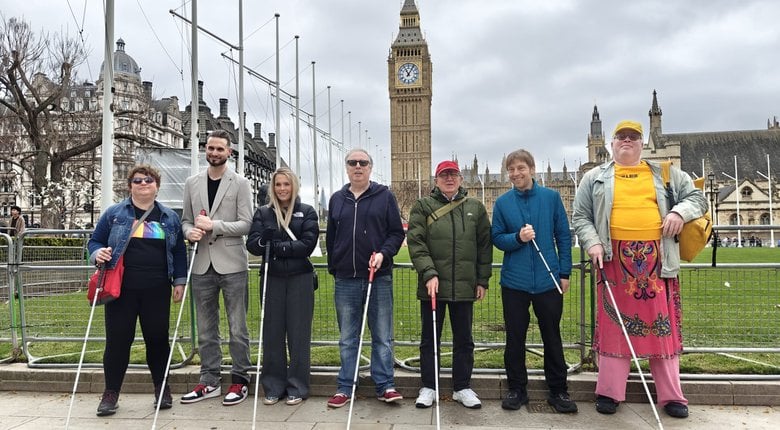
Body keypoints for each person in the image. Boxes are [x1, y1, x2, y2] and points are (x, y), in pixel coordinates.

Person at [572, 120, 707, 419]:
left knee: (663, 326)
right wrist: (592, 242)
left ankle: (672, 395)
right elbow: (580, 216)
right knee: (614, 325)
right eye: (621, 137)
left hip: (658, 259)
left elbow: (698, 198)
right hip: (612, 258)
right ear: (611, 143)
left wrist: (678, 211)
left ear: (642, 142)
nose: (627, 141)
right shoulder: (594, 177)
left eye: (633, 137)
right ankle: (609, 392)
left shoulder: (666, 172)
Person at [87, 165, 187, 416]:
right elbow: (94, 241)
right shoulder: (113, 213)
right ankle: (110, 393)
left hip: (157, 289)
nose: (143, 184)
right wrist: (97, 253)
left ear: (157, 186)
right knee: (118, 341)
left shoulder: (169, 217)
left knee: (157, 340)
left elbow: (178, 251)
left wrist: (179, 281)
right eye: (138, 180)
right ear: (130, 185)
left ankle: (162, 388)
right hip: (121, 289)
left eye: (148, 180)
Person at [491, 149, 578, 414]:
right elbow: (496, 238)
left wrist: (564, 274)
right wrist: (518, 238)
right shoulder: (503, 203)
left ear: (532, 169)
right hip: (515, 282)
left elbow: (563, 236)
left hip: (547, 280)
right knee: (514, 338)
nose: (516, 173)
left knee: (552, 336)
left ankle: (558, 390)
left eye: (521, 168)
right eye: (512, 170)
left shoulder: (551, 198)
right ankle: (517, 388)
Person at [406, 160, 493, 409]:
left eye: (453, 174)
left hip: (465, 285)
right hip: (433, 285)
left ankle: (462, 387)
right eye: (444, 175)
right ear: (436, 180)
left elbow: (484, 247)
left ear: (461, 179)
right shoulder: (423, 206)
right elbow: (416, 241)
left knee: (464, 340)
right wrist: (429, 272)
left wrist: (482, 280)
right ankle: (429, 386)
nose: (449, 179)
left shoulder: (475, 208)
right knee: (429, 339)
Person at [325, 148, 406, 408]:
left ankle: (385, 385)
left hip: (378, 276)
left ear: (370, 167)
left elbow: (396, 233)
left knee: (382, 335)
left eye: (363, 162)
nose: (357, 166)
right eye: (352, 163)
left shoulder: (385, 197)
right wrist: (335, 266)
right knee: (348, 337)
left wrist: (384, 253)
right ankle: (345, 386)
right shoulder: (337, 199)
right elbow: (331, 237)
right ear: (347, 167)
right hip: (346, 279)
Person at [180, 130, 254, 406]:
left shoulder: (241, 183)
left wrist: (216, 226)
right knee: (206, 328)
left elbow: (247, 223)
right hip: (201, 264)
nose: (214, 153)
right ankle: (209, 380)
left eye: (219, 149)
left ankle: (239, 379)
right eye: (210, 148)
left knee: (237, 327)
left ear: (229, 152)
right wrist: (190, 233)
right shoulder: (192, 183)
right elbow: (186, 220)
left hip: (232, 264)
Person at [246, 167, 319, 406]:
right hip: (272, 278)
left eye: (286, 184)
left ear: (294, 186)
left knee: (298, 335)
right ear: (272, 187)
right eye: (278, 185)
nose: (282, 189)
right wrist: (263, 241)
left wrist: (277, 248)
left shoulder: (307, 211)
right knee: (272, 334)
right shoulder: (263, 213)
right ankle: (273, 385)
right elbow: (253, 245)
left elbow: (307, 245)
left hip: (300, 278)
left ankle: (297, 385)